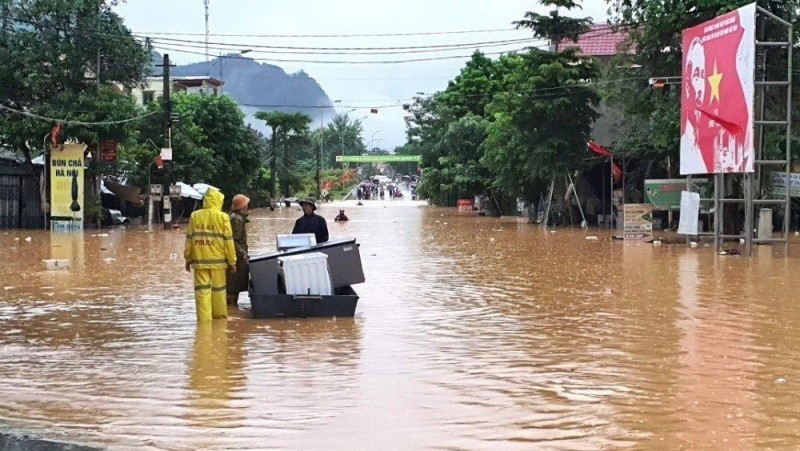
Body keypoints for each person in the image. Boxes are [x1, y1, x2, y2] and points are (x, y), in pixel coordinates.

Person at [184, 187, 237, 321]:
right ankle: (219, 319)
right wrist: (232, 261)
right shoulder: (223, 217)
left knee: (202, 292)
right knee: (219, 291)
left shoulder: (195, 216)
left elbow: (189, 239)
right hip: (218, 262)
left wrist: (188, 258)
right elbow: (228, 242)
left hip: (199, 261)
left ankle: (204, 322)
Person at [226, 194, 251, 308]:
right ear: (243, 207)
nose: (249, 208)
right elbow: (234, 241)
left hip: (235, 258)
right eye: (247, 206)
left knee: (233, 287)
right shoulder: (237, 219)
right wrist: (243, 254)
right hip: (236, 259)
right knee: (232, 288)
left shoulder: (235, 217)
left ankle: (231, 311)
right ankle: (231, 310)